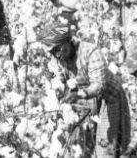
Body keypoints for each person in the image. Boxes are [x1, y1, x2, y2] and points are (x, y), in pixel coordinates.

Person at [38, 24, 131, 158]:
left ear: (68, 41)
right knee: (79, 145)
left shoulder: (90, 51)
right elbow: (60, 79)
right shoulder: (58, 59)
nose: (56, 54)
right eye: (52, 52)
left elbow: (99, 86)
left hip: (108, 99)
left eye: (58, 49)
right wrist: (58, 88)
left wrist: (79, 94)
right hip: (84, 101)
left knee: (105, 146)